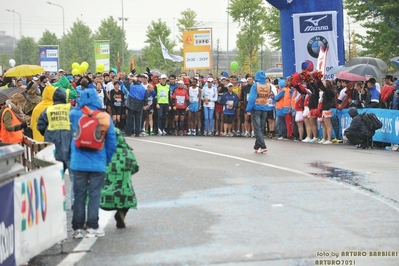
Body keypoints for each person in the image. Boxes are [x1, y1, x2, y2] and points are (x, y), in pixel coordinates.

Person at [70, 89, 117, 239]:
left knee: (79, 195)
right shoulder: (105, 117)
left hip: (78, 162)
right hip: (98, 162)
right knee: (95, 195)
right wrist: (106, 159)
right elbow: (111, 143)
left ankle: (77, 229)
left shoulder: (75, 115)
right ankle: (92, 227)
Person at [100, 128, 139, 228]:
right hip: (122, 194)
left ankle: (92, 219)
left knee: (92, 193)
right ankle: (121, 213)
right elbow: (135, 168)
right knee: (129, 194)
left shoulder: (100, 152)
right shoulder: (127, 153)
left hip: (102, 195)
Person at [246, 70, 270, 153]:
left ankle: (263, 146)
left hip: (256, 108)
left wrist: (248, 109)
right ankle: (256, 146)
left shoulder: (255, 85)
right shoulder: (268, 85)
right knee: (261, 128)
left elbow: (252, 98)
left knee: (257, 128)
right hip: (265, 108)